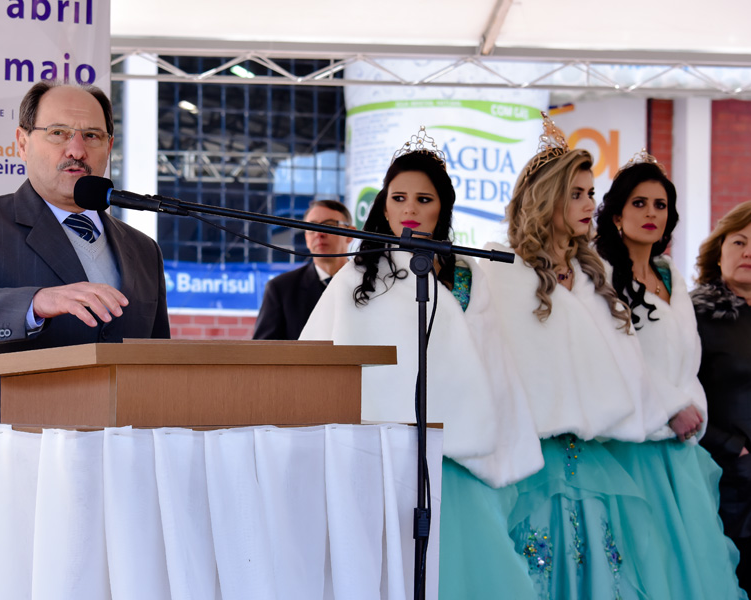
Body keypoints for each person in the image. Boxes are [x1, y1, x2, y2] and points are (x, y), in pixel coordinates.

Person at [301, 128, 544, 599]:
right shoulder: (357, 276)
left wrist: (503, 444)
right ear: (384, 206)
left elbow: (493, 363)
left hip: (459, 460)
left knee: (468, 574)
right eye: (399, 198)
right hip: (379, 460)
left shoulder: (468, 273)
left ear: (442, 208)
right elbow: (318, 363)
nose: (410, 208)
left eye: (423, 199)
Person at [480, 114, 683, 598]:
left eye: (591, 192)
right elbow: (495, 364)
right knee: (538, 570)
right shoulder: (501, 272)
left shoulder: (594, 275)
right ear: (545, 198)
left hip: (591, 456)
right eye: (576, 194)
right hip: (532, 459)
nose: (590, 204)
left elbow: (625, 362)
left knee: (599, 567)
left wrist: (666, 407)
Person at [0, 80, 170, 424]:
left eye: (91, 135)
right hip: (20, 445)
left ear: (109, 146)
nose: (76, 150)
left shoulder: (143, 249)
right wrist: (34, 303)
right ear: (22, 143)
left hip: (122, 446)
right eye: (58, 133)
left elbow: (157, 362)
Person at [595, 154, 745, 599]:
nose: (651, 214)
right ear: (617, 214)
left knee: (692, 565)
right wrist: (669, 407)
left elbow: (686, 358)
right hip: (633, 445)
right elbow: (613, 356)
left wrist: (690, 407)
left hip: (679, 448)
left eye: (660, 205)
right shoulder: (600, 273)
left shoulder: (669, 274)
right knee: (648, 565)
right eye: (639, 203)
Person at [692, 200, 751, 594]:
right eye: (739, 242)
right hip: (724, 476)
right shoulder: (694, 315)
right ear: (719, 252)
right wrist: (735, 450)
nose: (748, 253)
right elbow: (678, 398)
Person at [253, 200, 354, 340]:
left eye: (329, 225)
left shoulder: (371, 283)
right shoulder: (281, 289)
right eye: (311, 227)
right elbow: (263, 349)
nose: (319, 233)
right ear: (306, 237)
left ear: (350, 234)